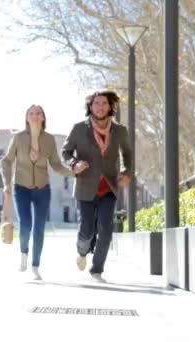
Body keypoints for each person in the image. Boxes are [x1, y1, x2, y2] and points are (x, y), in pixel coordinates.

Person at [62, 90, 132, 283]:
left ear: (110, 106)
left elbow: (127, 153)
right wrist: (75, 164)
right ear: (90, 107)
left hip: (109, 186)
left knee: (106, 228)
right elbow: (66, 152)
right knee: (86, 230)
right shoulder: (79, 129)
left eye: (104, 103)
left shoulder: (120, 131)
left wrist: (126, 172)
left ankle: (97, 270)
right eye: (96, 103)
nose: (100, 107)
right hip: (85, 186)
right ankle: (82, 251)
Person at [0, 104, 74, 280]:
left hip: (42, 189)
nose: (34, 116)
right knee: (25, 225)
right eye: (31, 113)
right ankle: (24, 253)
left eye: (38, 113)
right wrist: (6, 184)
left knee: (39, 229)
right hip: (21, 188)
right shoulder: (18, 138)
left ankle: (35, 266)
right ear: (27, 118)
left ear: (43, 118)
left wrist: (73, 172)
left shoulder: (49, 139)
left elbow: (56, 164)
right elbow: (6, 161)